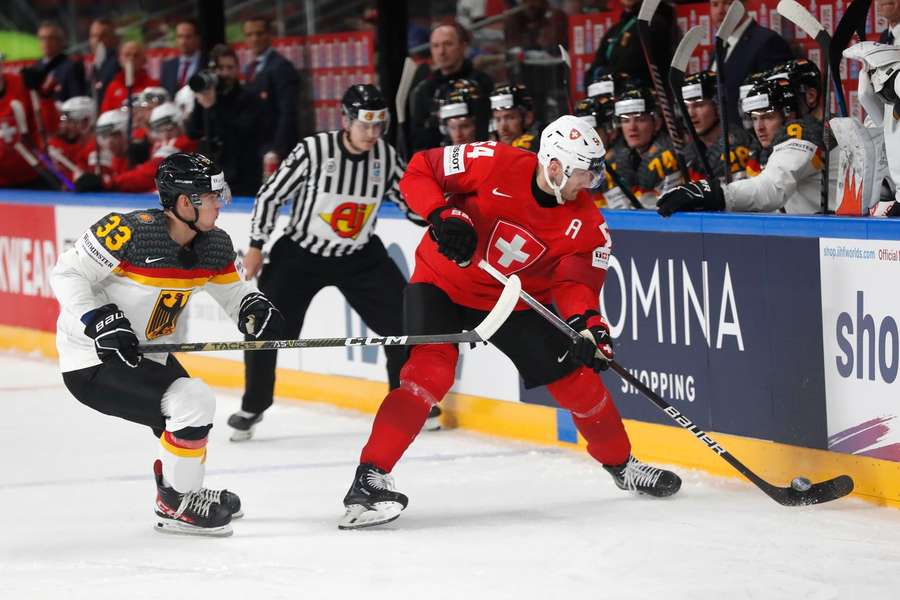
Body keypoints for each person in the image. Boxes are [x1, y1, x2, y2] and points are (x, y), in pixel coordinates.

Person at [338, 115, 681, 530]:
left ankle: (622, 465)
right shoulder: (494, 161)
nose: (590, 184)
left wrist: (590, 326)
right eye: (584, 173)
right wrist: (442, 214)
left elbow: (577, 283)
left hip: (512, 301)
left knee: (578, 381)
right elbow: (420, 170)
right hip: (441, 281)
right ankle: (369, 478)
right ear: (554, 165)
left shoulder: (589, 225)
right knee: (428, 373)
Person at [50, 152, 284, 536]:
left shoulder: (214, 245)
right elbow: (67, 272)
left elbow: (232, 292)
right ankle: (175, 503)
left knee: (187, 414)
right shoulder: (129, 232)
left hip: (149, 354)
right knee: (191, 401)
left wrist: (250, 308)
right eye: (211, 196)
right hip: (93, 359)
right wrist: (99, 320)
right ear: (182, 203)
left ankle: (184, 490)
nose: (219, 203)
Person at [229, 84, 430, 442]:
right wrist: (257, 244)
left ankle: (406, 403)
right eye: (365, 125)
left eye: (378, 125)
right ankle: (253, 405)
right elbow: (271, 196)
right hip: (300, 255)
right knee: (263, 328)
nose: (372, 134)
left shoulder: (385, 156)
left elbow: (411, 204)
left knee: (402, 326)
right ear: (346, 120)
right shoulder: (314, 150)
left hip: (360, 257)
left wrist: (442, 215)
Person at [658, 77, 825, 215]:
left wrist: (716, 193)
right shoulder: (765, 150)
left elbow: (772, 190)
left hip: (832, 243)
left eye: (767, 116)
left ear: (789, 116)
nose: (759, 127)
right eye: (754, 118)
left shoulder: (800, 132)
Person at [185, 44, 263, 196]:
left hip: (242, 175)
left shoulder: (249, 97)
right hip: (212, 173)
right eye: (220, 68)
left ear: (237, 68)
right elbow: (193, 132)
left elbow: (241, 133)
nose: (225, 73)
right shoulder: (207, 95)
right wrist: (202, 104)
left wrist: (214, 107)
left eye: (230, 67)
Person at [75, 102, 198, 193]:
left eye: (170, 128)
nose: (165, 134)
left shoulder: (182, 143)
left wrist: (107, 183)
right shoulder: (153, 146)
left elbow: (150, 174)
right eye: (159, 129)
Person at [408, 22, 494, 152]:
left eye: (448, 44)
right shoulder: (424, 89)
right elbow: (417, 137)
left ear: (463, 47)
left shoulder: (482, 83)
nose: (441, 51)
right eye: (436, 46)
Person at [709, 0, 792, 125]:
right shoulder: (720, 46)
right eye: (715, 4)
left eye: (728, 3)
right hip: (723, 139)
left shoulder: (767, 41)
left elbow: (777, 101)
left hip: (753, 138)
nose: (720, 11)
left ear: (743, 5)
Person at [241, 17, 300, 171]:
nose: (254, 38)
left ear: (269, 35)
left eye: (259, 33)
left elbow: (288, 112)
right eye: (249, 34)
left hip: (275, 150)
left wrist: (277, 149)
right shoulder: (249, 68)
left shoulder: (281, 67)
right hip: (256, 147)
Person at [613, 85, 683, 207]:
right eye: (625, 120)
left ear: (656, 123)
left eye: (640, 119)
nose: (632, 127)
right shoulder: (626, 157)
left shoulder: (669, 156)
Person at [679, 70, 753, 181]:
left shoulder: (743, 143)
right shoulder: (687, 154)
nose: (691, 114)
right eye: (686, 107)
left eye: (699, 105)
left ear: (718, 106)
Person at [587, 0, 679, 87]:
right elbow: (593, 70)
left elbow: (633, 66)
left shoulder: (657, 23)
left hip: (645, 96)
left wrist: (606, 74)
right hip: (615, 94)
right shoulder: (615, 29)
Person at [21, 21, 87, 103]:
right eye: (42, 38)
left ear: (61, 41)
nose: (46, 42)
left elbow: (76, 99)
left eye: (51, 38)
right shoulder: (35, 67)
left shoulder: (72, 66)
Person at [101, 41, 161, 113]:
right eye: (127, 55)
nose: (131, 58)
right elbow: (106, 115)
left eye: (136, 55)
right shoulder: (113, 87)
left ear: (144, 60)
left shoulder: (153, 86)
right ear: (120, 59)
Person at [48, 96, 96, 181]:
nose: (64, 125)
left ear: (85, 122)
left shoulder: (95, 149)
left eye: (70, 121)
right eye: (63, 120)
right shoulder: (57, 143)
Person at [503, 0, 568, 56]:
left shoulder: (556, 15)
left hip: (550, 62)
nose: (530, 3)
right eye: (526, 1)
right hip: (523, 63)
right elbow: (512, 47)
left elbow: (549, 44)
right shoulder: (514, 17)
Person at [160, 19, 205, 98]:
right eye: (179, 36)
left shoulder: (207, 63)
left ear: (197, 38)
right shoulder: (168, 66)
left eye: (188, 37)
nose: (183, 42)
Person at [490, 83, 539, 151]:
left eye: (510, 118)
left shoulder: (543, 149)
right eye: (498, 120)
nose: (503, 128)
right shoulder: (489, 150)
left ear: (528, 117)